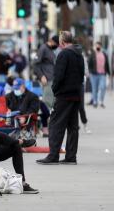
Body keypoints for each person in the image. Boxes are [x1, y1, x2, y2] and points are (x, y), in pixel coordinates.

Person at [36, 31, 84, 165]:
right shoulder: (79, 54)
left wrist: (55, 90)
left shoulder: (63, 54)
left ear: (62, 42)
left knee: (55, 124)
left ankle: (53, 156)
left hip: (64, 95)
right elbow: (81, 75)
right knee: (73, 127)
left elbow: (59, 76)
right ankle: (71, 157)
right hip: (76, 94)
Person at [34, 35, 59, 109]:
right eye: (56, 44)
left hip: (51, 78)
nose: (57, 46)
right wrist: (41, 76)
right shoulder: (43, 48)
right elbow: (36, 64)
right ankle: (46, 119)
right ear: (52, 41)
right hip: (47, 79)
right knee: (47, 101)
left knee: (52, 101)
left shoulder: (50, 50)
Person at [88, 42, 110, 108]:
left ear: (101, 46)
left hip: (102, 74)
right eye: (96, 46)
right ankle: (95, 101)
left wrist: (109, 73)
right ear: (95, 46)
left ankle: (101, 101)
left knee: (103, 87)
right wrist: (90, 72)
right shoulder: (92, 54)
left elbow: (107, 64)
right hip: (94, 74)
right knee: (94, 88)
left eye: (99, 46)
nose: (98, 47)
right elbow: (89, 64)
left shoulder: (104, 54)